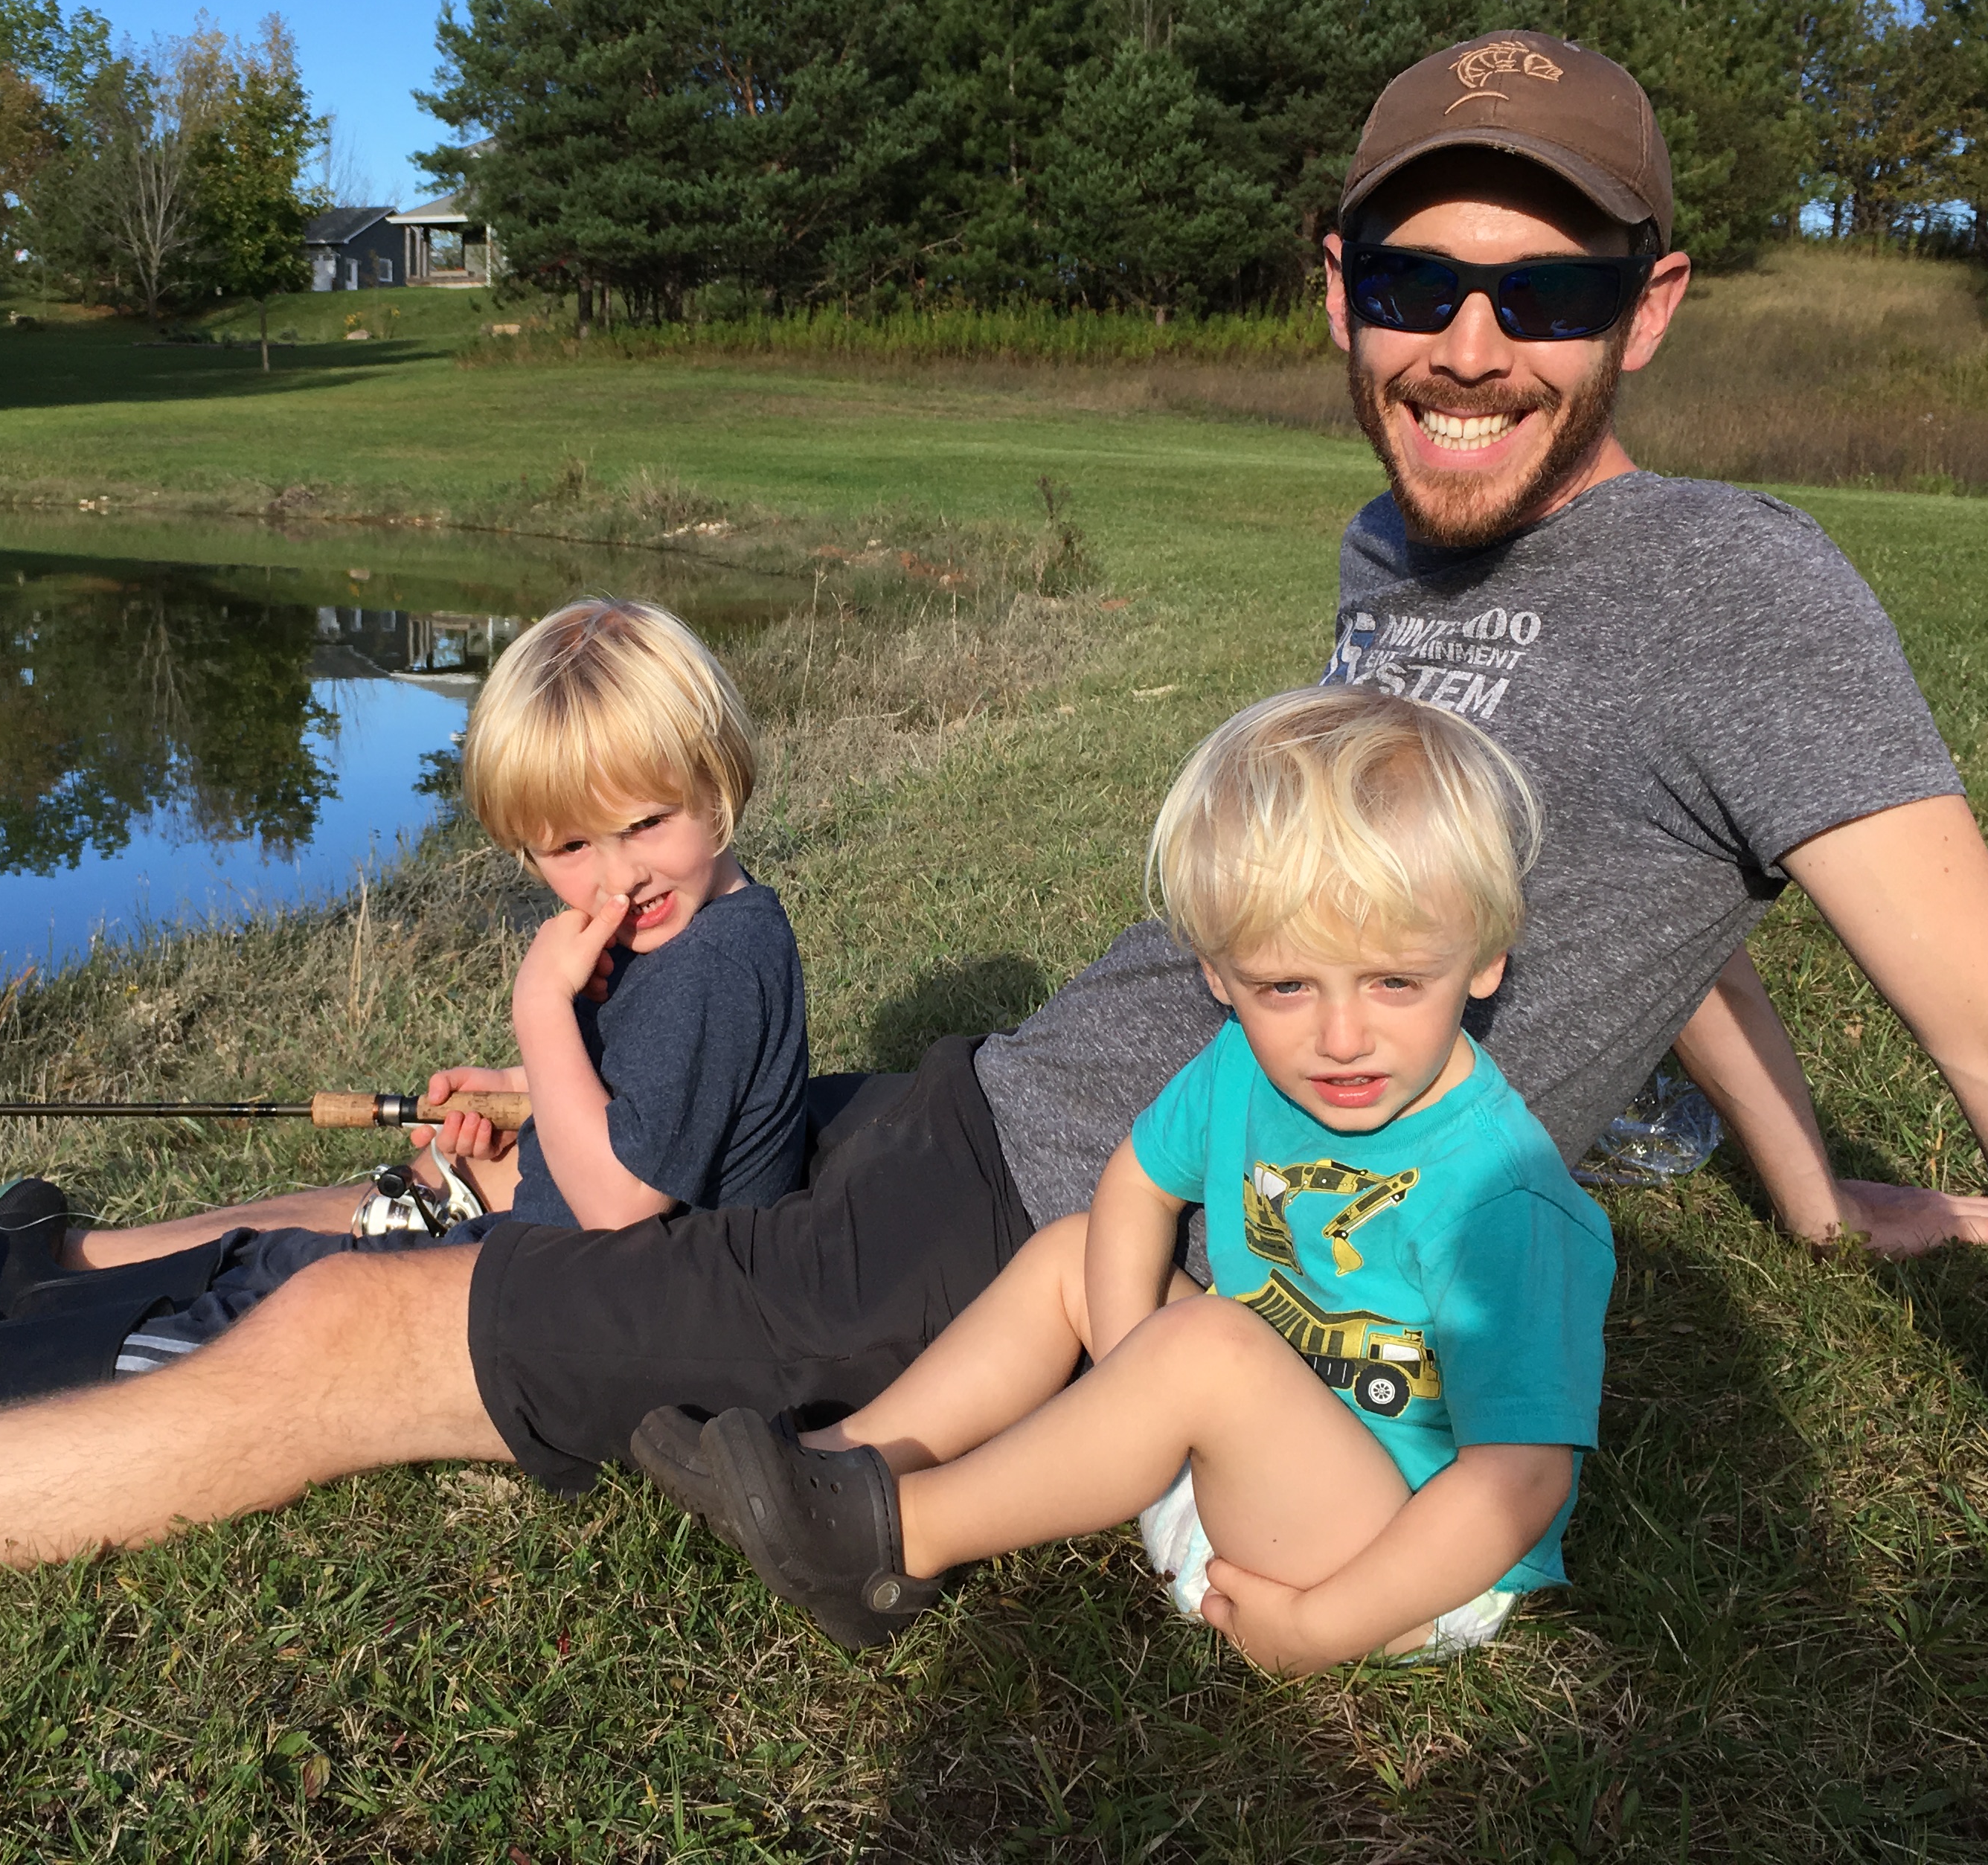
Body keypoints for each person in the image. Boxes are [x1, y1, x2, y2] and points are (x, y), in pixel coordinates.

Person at [0, 33, 1988, 1645]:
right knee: (482, 1174)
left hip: (1056, 1202)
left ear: (1648, 303)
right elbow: (1534, 906)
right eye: (1413, 278)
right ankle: (14, 1286)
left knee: (379, 1344)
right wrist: (1809, 1190)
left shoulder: (1754, 590)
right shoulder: (1400, 530)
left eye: (1537, 282)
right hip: (1014, 1115)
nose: (1464, 337)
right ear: (1339, 286)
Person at [645, 689, 1612, 1671]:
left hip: (1396, 1565)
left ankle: (899, 1542)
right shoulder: (1244, 1066)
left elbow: (1517, 1482)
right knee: (1075, 1250)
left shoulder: (1502, 1197)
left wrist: (1323, 1626)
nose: (1342, 1037)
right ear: (1217, 975)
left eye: (1396, 981)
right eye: (1286, 985)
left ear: (1486, 958)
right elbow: (1138, 1184)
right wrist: (1128, 1382)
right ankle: (843, 1464)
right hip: (1250, 1462)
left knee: (1209, 1348)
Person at [0, 595, 814, 1444]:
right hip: (570, 1285)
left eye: (646, 823)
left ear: (716, 772)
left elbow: (617, 1203)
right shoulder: (699, 930)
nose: (619, 875)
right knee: (266, 1265)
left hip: (599, 1316)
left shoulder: (711, 959)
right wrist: (526, 1092)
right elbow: (658, 1112)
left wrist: (541, 1010)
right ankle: (12, 1289)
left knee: (261, 1319)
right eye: (570, 847)